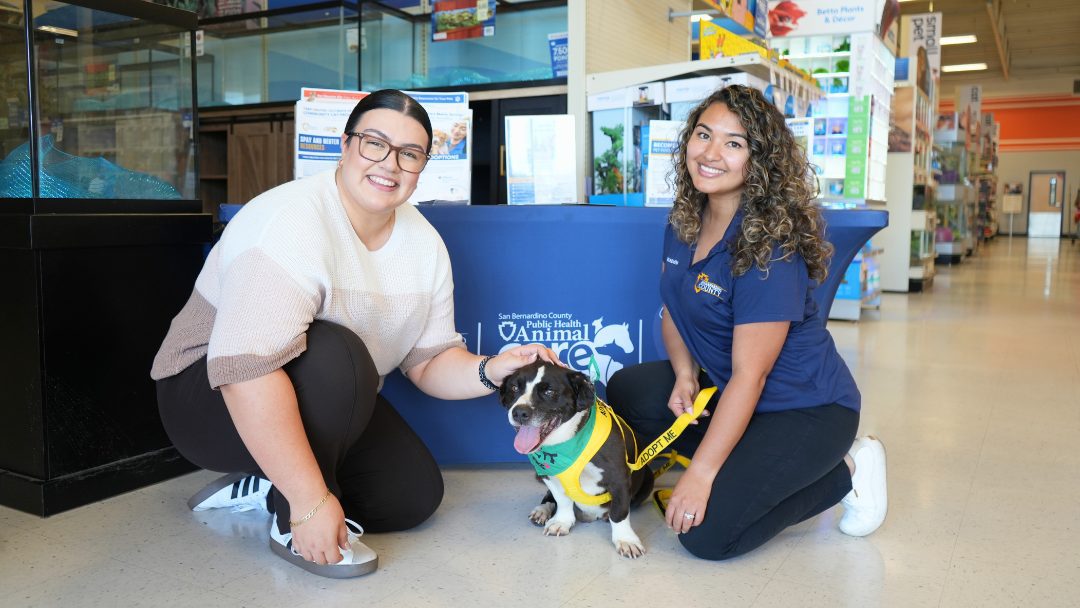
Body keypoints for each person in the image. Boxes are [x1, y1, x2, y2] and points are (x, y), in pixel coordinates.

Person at [151, 89, 558, 579]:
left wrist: (494, 370)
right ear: (345, 146)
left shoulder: (424, 244)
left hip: (317, 391)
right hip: (206, 397)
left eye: (410, 154)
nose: (390, 164)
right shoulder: (286, 222)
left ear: (422, 166)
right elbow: (244, 372)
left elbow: (427, 362)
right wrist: (307, 502)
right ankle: (292, 515)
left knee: (412, 496)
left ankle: (267, 482)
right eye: (374, 143)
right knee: (338, 352)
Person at [606, 84, 887, 561]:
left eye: (734, 144)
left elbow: (752, 376)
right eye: (703, 135)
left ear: (760, 162)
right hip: (732, 387)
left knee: (707, 536)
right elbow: (674, 307)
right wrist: (683, 373)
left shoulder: (769, 250)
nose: (711, 153)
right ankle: (740, 466)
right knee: (629, 389)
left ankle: (852, 469)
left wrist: (700, 475)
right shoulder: (684, 220)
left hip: (805, 409)